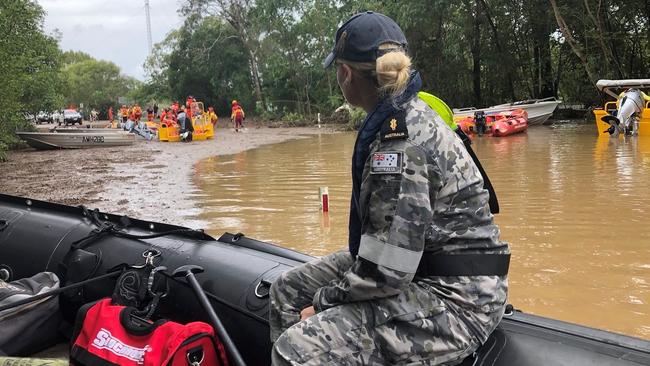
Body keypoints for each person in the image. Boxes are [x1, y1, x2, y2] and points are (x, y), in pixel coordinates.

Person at [269, 11, 510, 366]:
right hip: (420, 265)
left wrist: (321, 306)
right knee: (285, 291)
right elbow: (386, 257)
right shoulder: (402, 114)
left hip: (460, 297)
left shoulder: (399, 145)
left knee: (296, 349)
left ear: (346, 74)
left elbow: (386, 273)